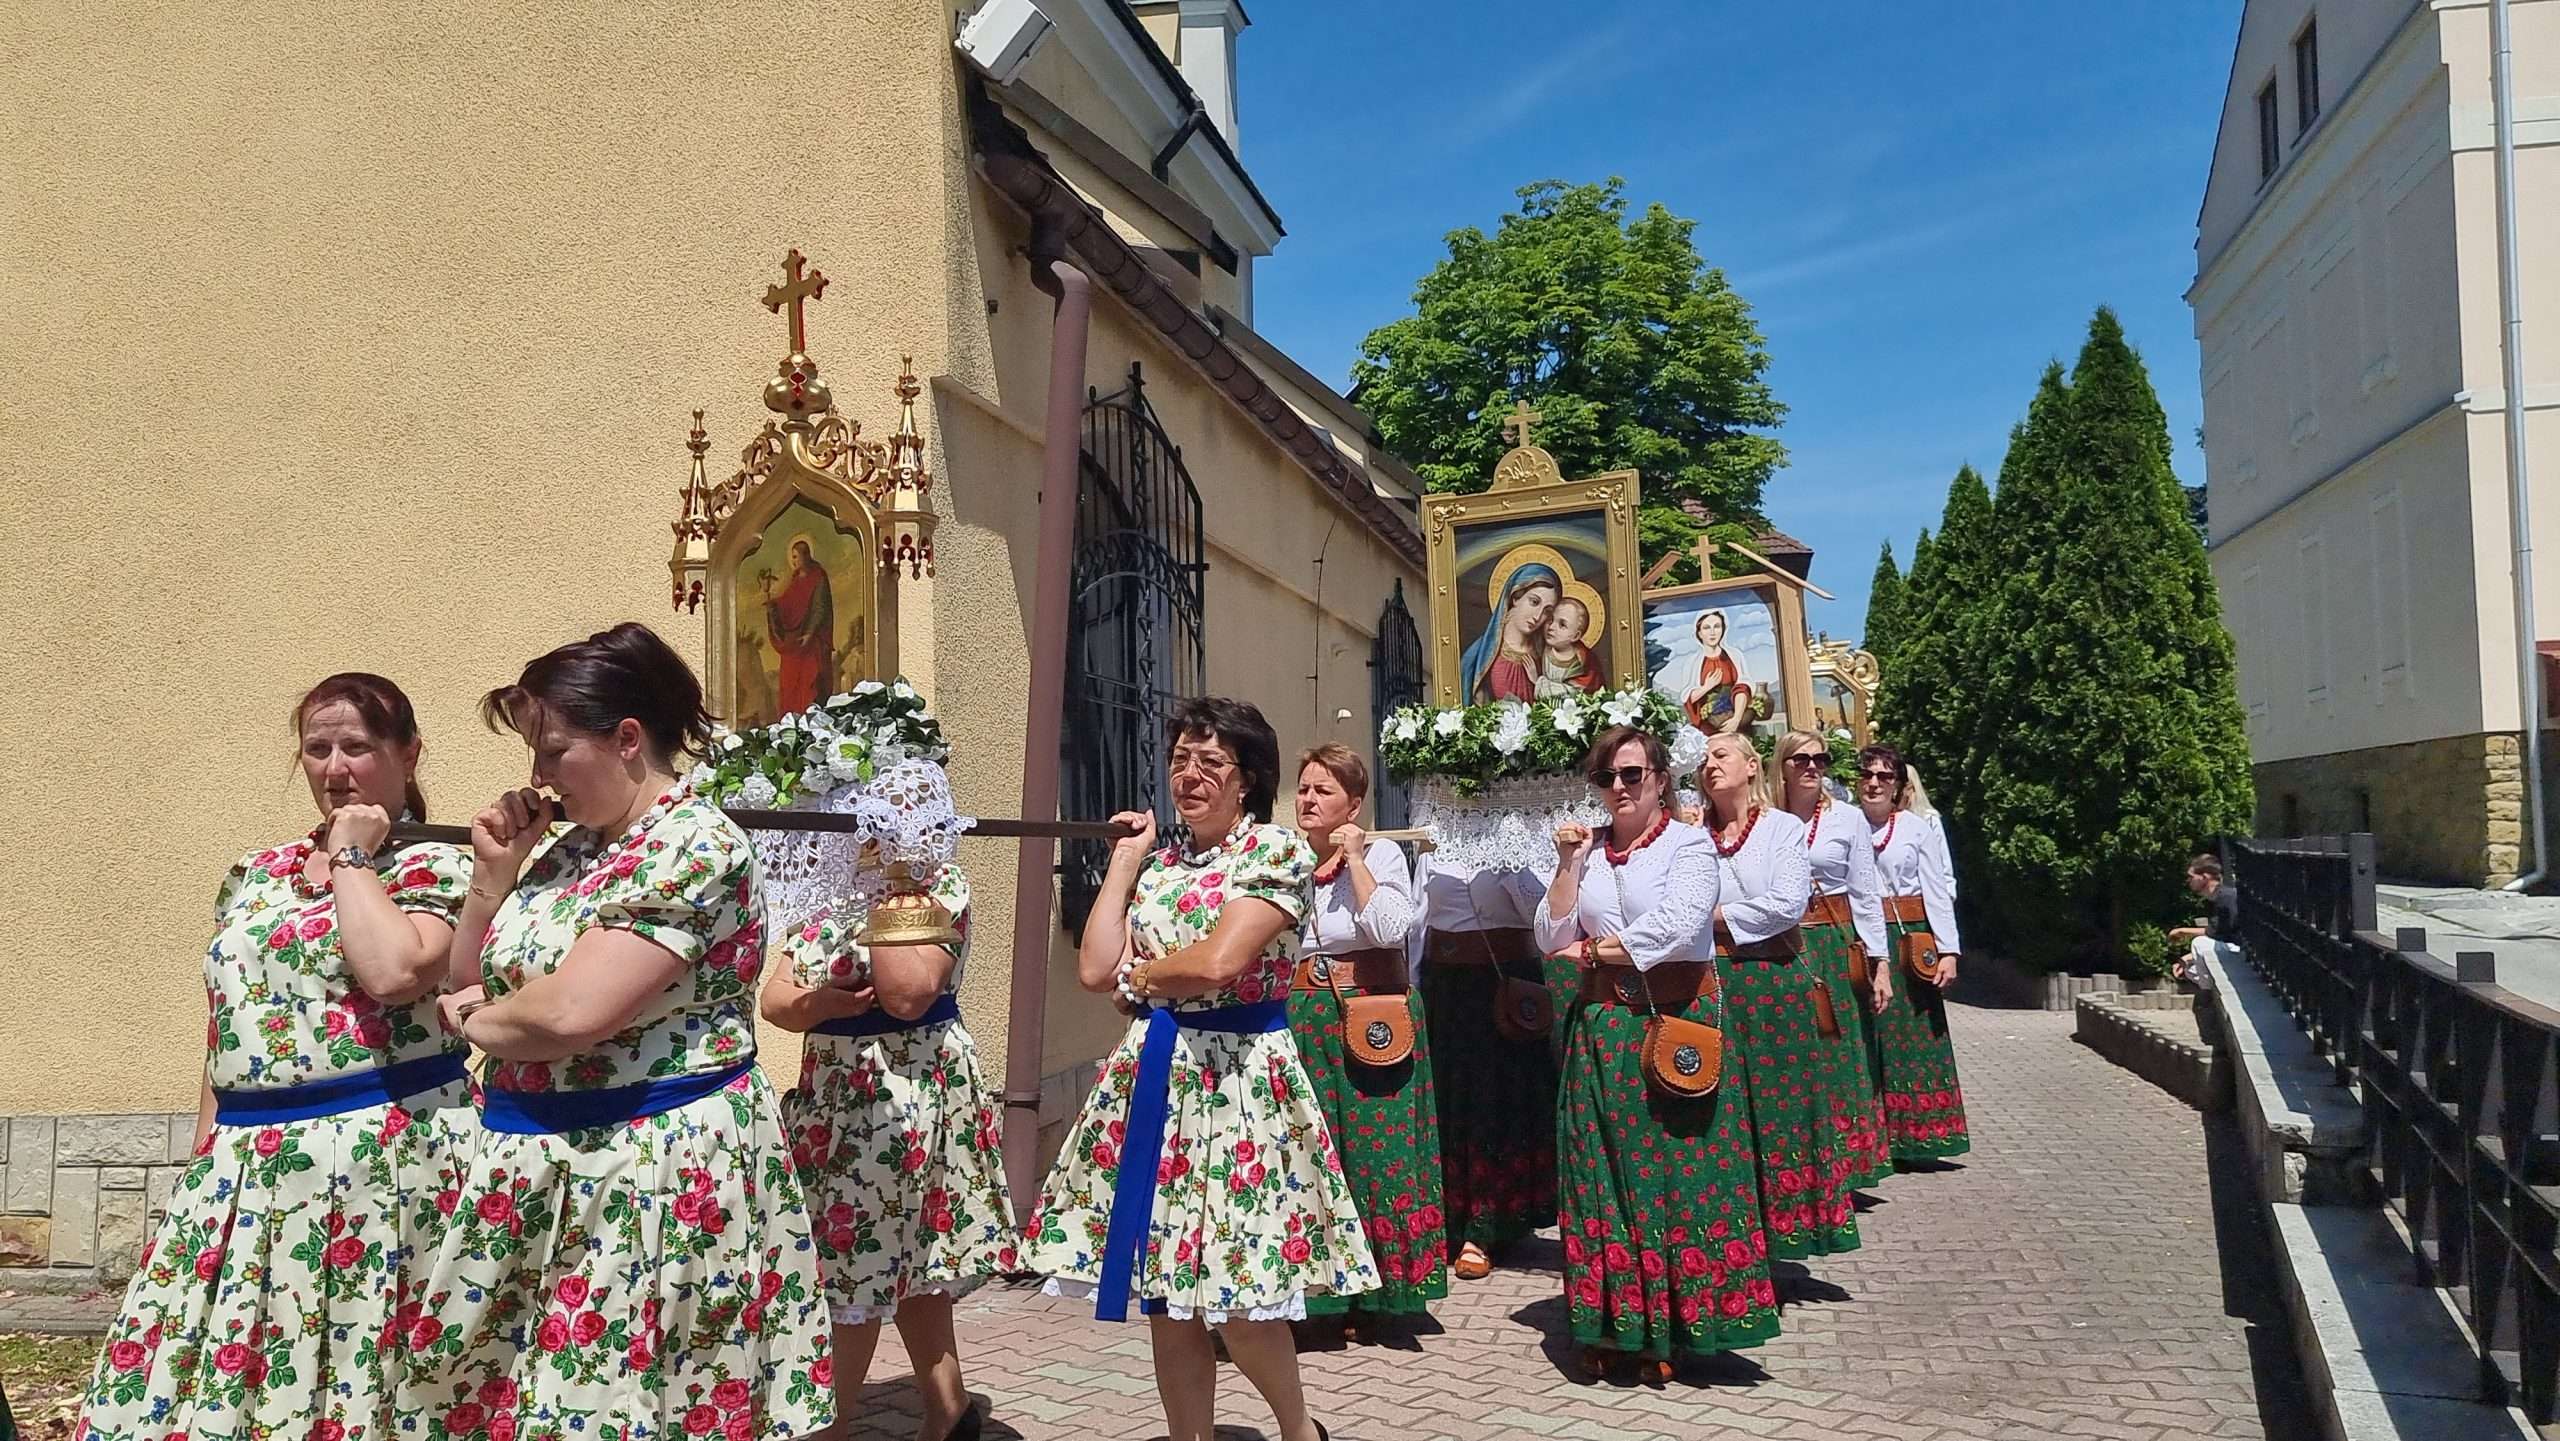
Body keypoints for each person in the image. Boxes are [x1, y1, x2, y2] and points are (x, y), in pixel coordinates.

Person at [404, 623, 831, 1440]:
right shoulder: (570, 851)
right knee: (527, 1403)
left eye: (554, 751)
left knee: (635, 1406)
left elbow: (572, 1012)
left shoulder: (691, 843)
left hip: (649, 1172)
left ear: (627, 737)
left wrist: (479, 1019)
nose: (538, 777)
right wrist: (493, 879)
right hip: (549, 1166)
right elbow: (467, 979)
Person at [81, 674, 474, 1441]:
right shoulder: (256, 874)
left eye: (357, 746)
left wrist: (354, 854)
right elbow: (229, 1021)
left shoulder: (436, 865)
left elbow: (395, 972)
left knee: (373, 1383)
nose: (336, 767)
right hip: (248, 1168)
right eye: (317, 748)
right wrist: (204, 1156)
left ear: (408, 753)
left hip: (385, 1165)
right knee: (230, 1388)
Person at [1023, 698, 1372, 1441]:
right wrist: (1126, 862)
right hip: (1161, 1081)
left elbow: (1220, 962)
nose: (1190, 775)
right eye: (1181, 759)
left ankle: (1299, 1430)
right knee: (1167, 1299)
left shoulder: (1274, 852)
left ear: (1247, 778)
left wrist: (1145, 977)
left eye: (1211, 762)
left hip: (1240, 1085)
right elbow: (1095, 967)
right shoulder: (1163, 865)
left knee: (1240, 1303)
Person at [1537, 725, 1779, 1381]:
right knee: (1602, 1174)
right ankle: (1613, 1325)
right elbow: (1550, 932)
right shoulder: (1588, 849)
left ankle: (1677, 1325)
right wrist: (1567, 865)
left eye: (1632, 774)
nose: (1619, 788)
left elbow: (1678, 923)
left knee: (1679, 1173)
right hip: (1601, 1030)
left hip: (1673, 1022)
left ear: (1661, 779)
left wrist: (1594, 950)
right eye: (1606, 777)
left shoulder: (1689, 844)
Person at [761, 856, 1016, 1441]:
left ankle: (824, 1428)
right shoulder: (828, 887)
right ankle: (950, 1409)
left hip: (902, 1097)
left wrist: (891, 890)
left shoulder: (936, 885)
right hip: (833, 1100)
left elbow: (909, 995)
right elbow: (776, 1000)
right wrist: (820, 1005)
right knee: (897, 1263)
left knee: (852, 1271)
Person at [1286, 746, 1444, 1339]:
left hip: (1371, 1015)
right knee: (1315, 1150)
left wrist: (1354, 858)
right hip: (1304, 1017)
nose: (1308, 800)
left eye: (1323, 791)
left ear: (1353, 805)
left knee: (1378, 1151)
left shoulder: (1381, 853)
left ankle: (1382, 1297)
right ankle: (1322, 1297)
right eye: (1304, 788)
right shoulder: (1287, 859)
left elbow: (1389, 928)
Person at [1697, 733, 1864, 1258]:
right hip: (1710, 983)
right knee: (1722, 1110)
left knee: (1782, 1105)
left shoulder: (1782, 829)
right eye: (1702, 759)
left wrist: (1705, 916)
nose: (1709, 764)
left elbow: (1786, 904)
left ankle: (1790, 1228)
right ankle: (1733, 1233)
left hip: (1772, 982)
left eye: (1721, 755)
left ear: (1752, 766)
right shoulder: (1690, 833)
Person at [1414, 836, 1553, 1282]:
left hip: (1500, 985)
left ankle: (1486, 1226)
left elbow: (1542, 917)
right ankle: (1451, 1219)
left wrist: (1508, 860)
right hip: (1445, 985)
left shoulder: (1521, 842)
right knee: (1449, 1101)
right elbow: (1420, 920)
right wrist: (1411, 986)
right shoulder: (1436, 845)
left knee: (1494, 1104)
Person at [1772, 731, 1895, 1189]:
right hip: (1780, 944)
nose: (1812, 767)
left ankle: (1847, 1163)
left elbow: (1865, 892)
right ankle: (1799, 1161)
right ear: (1782, 765)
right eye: (1801, 759)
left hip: (1831, 943)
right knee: (1792, 1051)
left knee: (1839, 1049)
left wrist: (1880, 962)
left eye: (1820, 759)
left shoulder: (1847, 819)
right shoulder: (1766, 817)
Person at [1856, 745, 1973, 1163]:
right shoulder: (1843, 824)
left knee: (1914, 1034)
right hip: (1859, 939)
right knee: (1868, 1034)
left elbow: (1936, 890)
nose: (1874, 783)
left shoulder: (1915, 828)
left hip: (1909, 938)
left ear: (1898, 786)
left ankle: (1921, 1135)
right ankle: (1876, 1139)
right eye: (1867, 775)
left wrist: (1948, 950)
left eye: (1884, 777)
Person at [1461, 564, 1561, 704]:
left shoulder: (1545, 656)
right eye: (1534, 602)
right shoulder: (1477, 656)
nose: (1538, 616)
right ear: (1515, 597)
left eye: (1547, 611)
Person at [765, 537, 836, 716]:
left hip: (812, 643)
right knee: (790, 682)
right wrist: (773, 605)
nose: (794, 561)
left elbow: (820, 608)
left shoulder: (818, 577)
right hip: (796, 643)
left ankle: (811, 718)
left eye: (796, 556)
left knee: (810, 682)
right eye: (792, 557)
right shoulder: (796, 579)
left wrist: (810, 633)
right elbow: (788, 603)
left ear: (806, 555)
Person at [1679, 610, 1758, 735]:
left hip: (1736, 720)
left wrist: (1736, 719)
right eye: (1706, 628)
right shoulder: (1693, 662)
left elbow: (1743, 686)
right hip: (1707, 725)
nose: (1712, 632)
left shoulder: (1734, 655)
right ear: (1699, 633)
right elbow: (1687, 697)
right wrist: (1706, 687)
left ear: (1723, 630)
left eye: (1716, 626)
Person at [2169, 853, 2238, 992]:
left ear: (2204, 877)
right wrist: (2188, 958)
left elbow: (2216, 933)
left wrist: (2182, 931)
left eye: (2191, 877)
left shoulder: (2226, 897)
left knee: (2199, 943)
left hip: (2239, 950)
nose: (2188, 881)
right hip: (2228, 948)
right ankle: (2214, 990)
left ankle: (2206, 993)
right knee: (2189, 969)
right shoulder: (2214, 899)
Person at [1535, 596, 1607, 699]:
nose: (1551, 627)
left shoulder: (1587, 664)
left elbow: (1584, 695)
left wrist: (1538, 682)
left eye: (1562, 625)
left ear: (1576, 636)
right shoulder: (1538, 651)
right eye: (1550, 620)